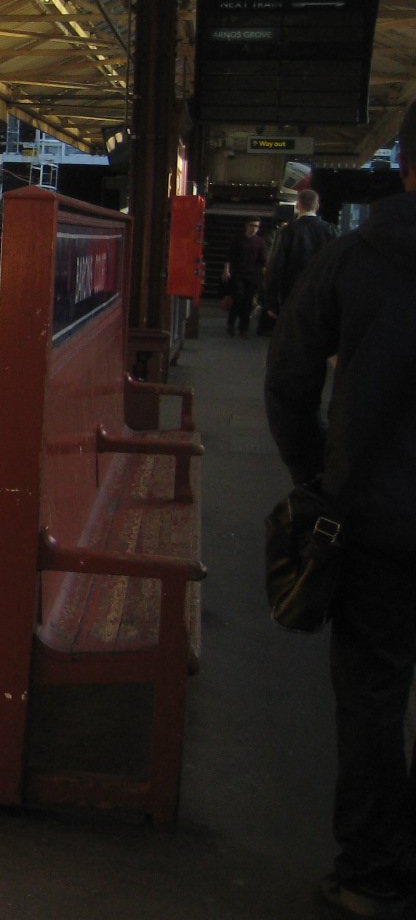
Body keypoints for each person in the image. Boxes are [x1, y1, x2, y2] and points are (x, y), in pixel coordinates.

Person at [265, 104, 416, 920]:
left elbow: (288, 383)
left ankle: (370, 872)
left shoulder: (356, 258)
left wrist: (320, 477)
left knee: (372, 695)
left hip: (377, 520)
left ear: (406, 168)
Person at [263, 188, 340, 324]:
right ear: (317, 206)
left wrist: (271, 302)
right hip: (322, 296)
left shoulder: (287, 232)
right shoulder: (332, 231)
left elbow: (275, 267)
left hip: (292, 294)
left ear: (298, 206)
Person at [223, 217, 267, 336]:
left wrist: (265, 275)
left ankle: (244, 328)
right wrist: (226, 269)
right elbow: (230, 255)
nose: (254, 228)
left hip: (252, 274)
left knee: (248, 302)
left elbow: (262, 260)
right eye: (252, 225)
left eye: (257, 226)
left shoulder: (260, 241)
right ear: (246, 226)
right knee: (238, 298)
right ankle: (231, 323)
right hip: (238, 273)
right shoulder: (238, 239)